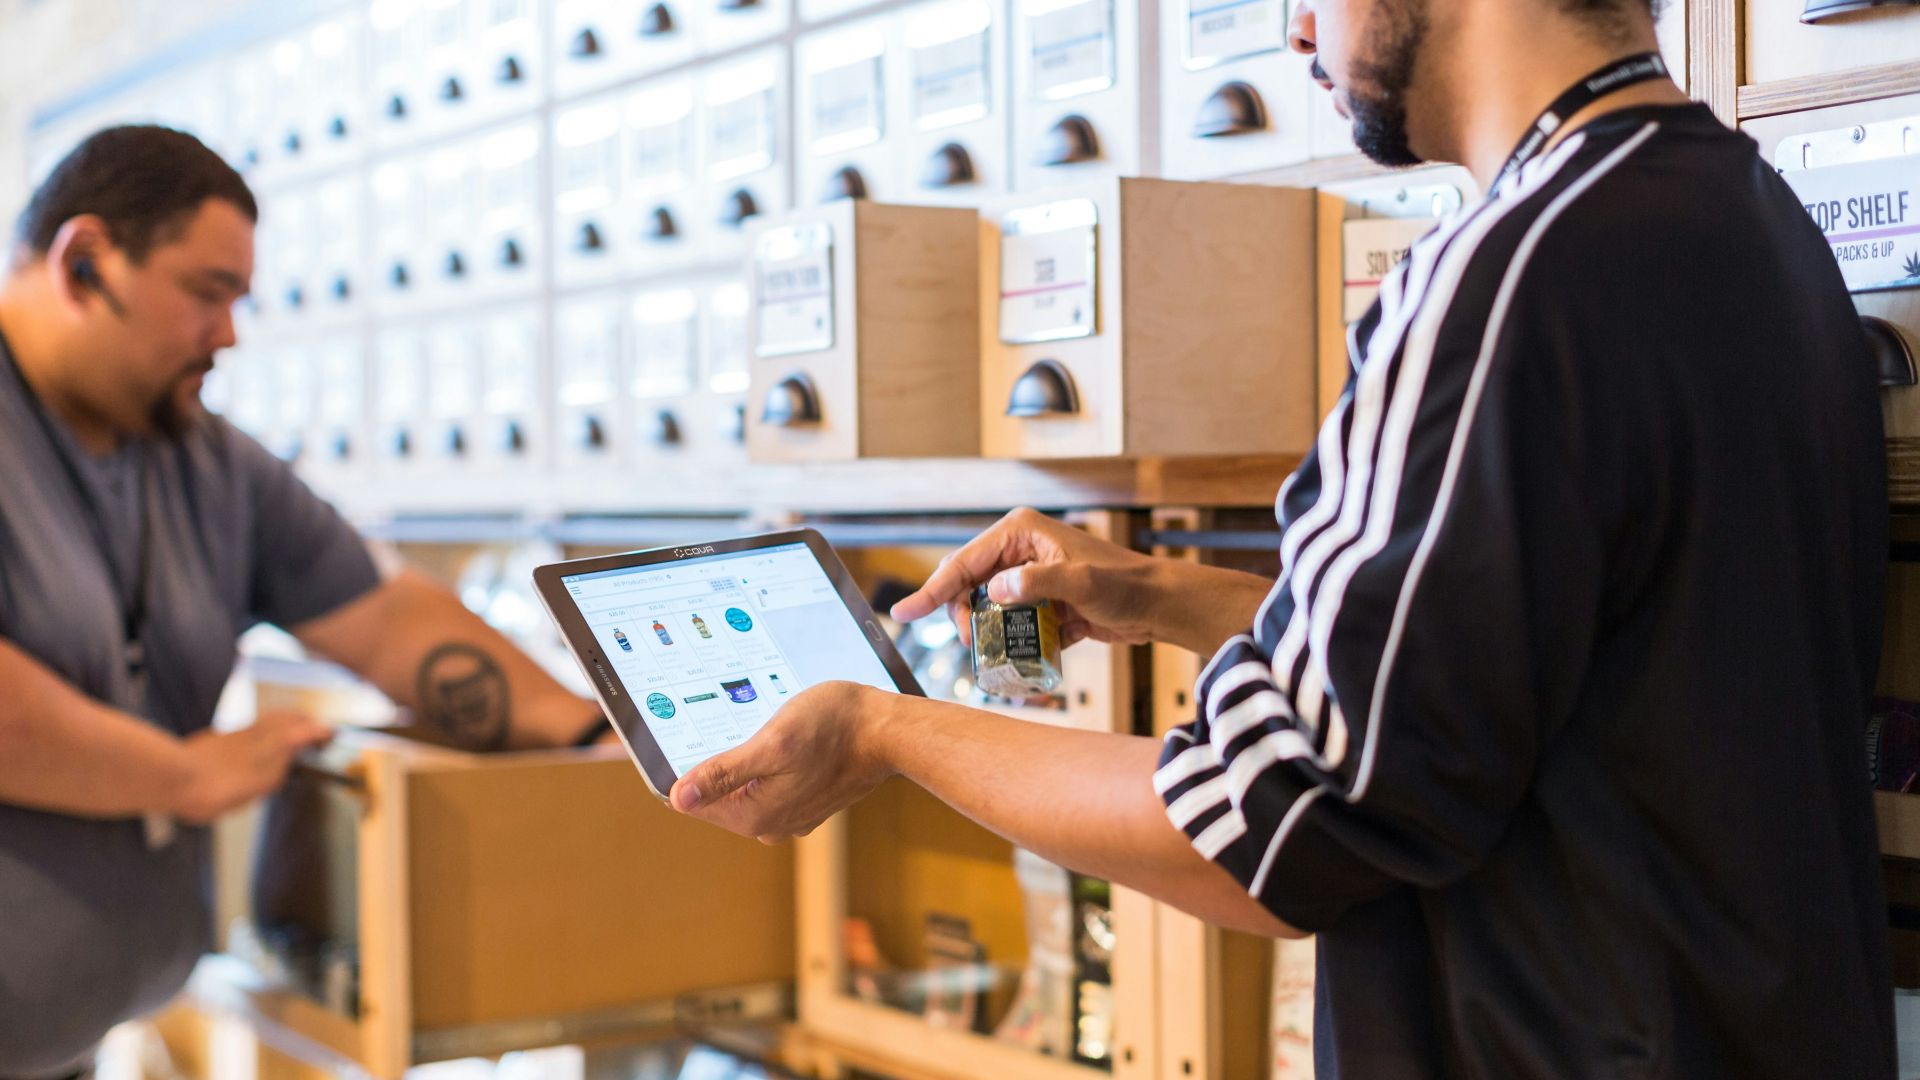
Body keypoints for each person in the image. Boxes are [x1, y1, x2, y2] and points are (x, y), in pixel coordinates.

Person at [670, 0, 1896, 1075]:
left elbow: (1261, 834)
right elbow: (1542, 670)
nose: (1297, 30)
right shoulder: (1745, 218)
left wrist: (890, 728)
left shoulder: (1502, 275)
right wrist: (1162, 591)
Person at [0, 126, 606, 1080]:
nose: (229, 335)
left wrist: (587, 737)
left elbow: (390, 619)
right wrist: (185, 776)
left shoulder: (203, 458)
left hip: (62, 1046)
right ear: (84, 263)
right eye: (207, 294)